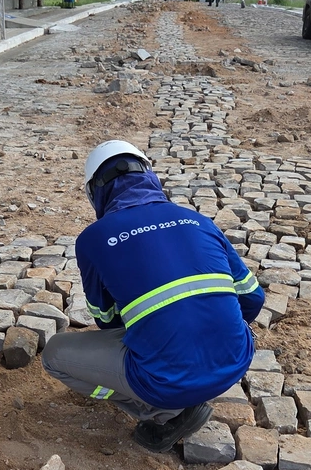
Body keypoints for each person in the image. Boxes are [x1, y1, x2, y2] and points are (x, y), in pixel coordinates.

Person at [41, 140, 264, 452]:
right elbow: (253, 299)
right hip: (235, 361)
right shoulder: (199, 220)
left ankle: (161, 413)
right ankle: (192, 376)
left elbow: (105, 320)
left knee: (53, 356)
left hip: (165, 381)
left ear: (95, 192)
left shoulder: (93, 239)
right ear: (151, 177)